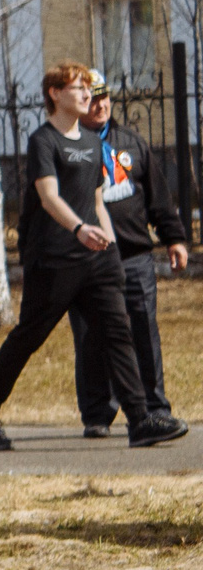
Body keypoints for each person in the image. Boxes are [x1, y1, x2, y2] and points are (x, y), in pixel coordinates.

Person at [0, 63, 187, 450]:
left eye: (90, 89)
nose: (88, 95)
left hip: (97, 262)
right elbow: (49, 197)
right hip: (54, 259)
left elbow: (97, 201)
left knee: (118, 334)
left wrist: (111, 251)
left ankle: (140, 421)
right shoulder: (43, 142)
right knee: (28, 337)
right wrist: (79, 229)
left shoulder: (89, 141)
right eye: (79, 88)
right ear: (55, 93)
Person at [72, 78, 188, 436]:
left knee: (143, 331)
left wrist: (174, 238)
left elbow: (158, 197)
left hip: (135, 255)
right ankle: (97, 414)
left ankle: (155, 407)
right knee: (92, 335)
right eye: (92, 99)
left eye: (105, 98)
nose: (100, 105)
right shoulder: (68, 148)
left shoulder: (132, 143)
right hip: (89, 259)